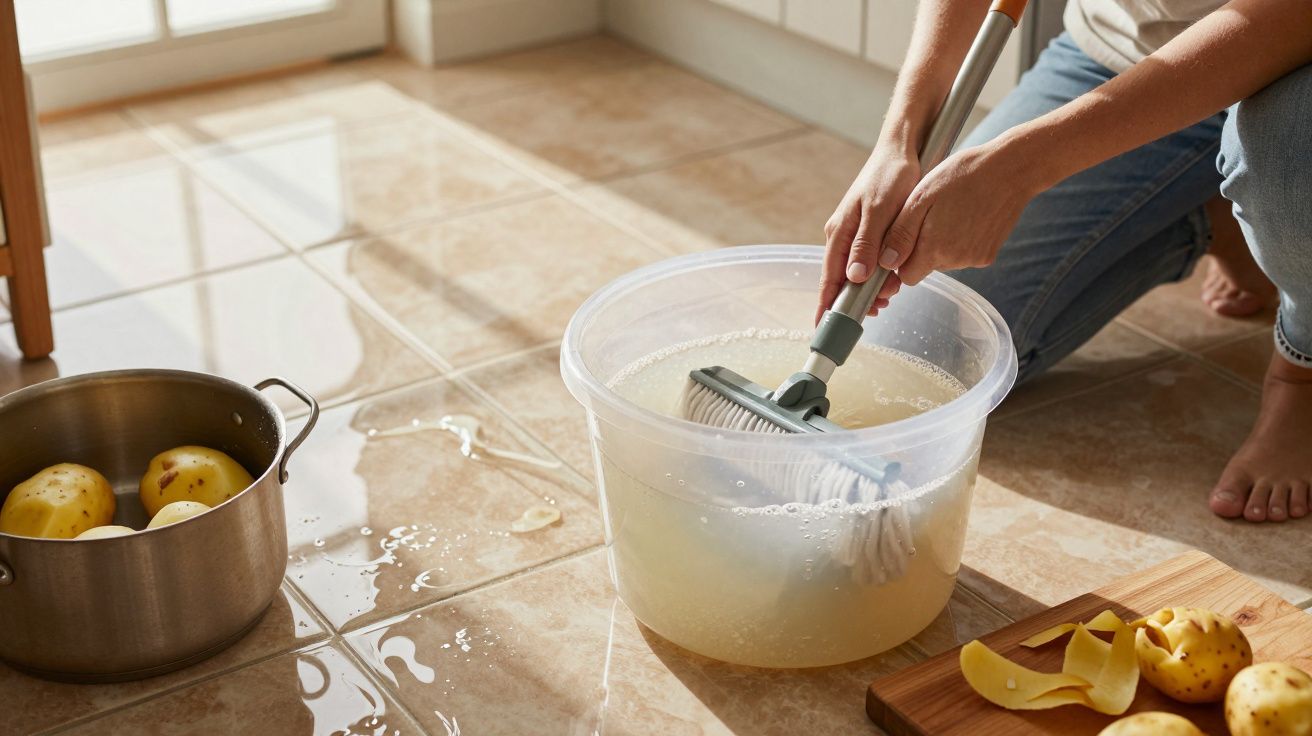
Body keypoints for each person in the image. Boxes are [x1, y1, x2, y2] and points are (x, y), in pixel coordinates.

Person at [819, 0, 1312, 522]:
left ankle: (1301, 369)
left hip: (1294, 78)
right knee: (937, 347)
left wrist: (1022, 167)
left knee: (1290, 152)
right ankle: (1227, 209)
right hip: (1131, 51)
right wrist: (899, 142)